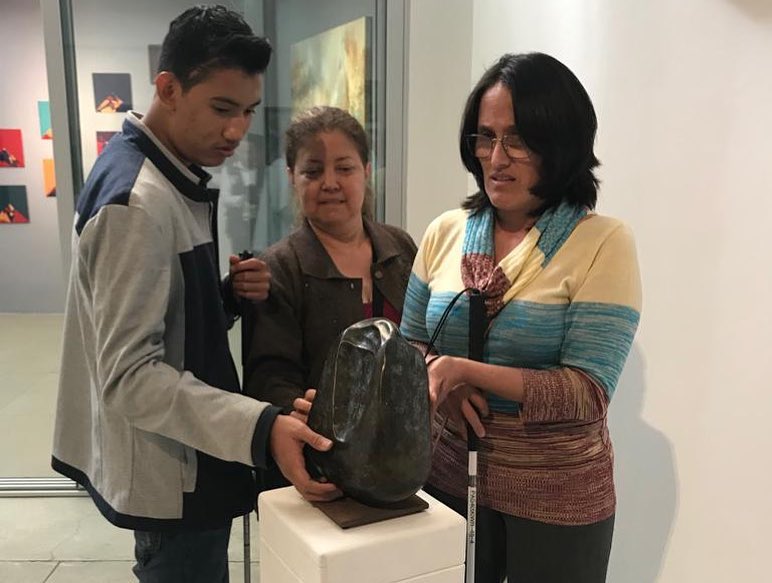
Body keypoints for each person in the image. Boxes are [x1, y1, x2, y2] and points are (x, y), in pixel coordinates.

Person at [51, 6, 339, 582]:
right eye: (222, 108)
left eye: (248, 111)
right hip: (170, 474)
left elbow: (159, 318)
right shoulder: (138, 202)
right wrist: (261, 426)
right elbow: (130, 376)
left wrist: (224, 297)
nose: (236, 131)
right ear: (168, 88)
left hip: (184, 457)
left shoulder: (166, 176)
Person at [400, 52, 642, 582]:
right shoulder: (445, 232)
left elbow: (586, 393)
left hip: (557, 498)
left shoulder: (602, 242)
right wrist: (441, 378)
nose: (497, 158)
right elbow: (410, 345)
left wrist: (464, 372)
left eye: (519, 140)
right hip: (447, 477)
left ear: (561, 144)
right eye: (485, 137)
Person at [243, 105, 417, 490]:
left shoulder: (401, 247)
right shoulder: (277, 267)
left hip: (401, 459)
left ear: (366, 171)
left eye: (344, 168)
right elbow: (269, 379)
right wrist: (303, 412)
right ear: (291, 176)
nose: (330, 183)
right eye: (313, 171)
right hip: (318, 463)